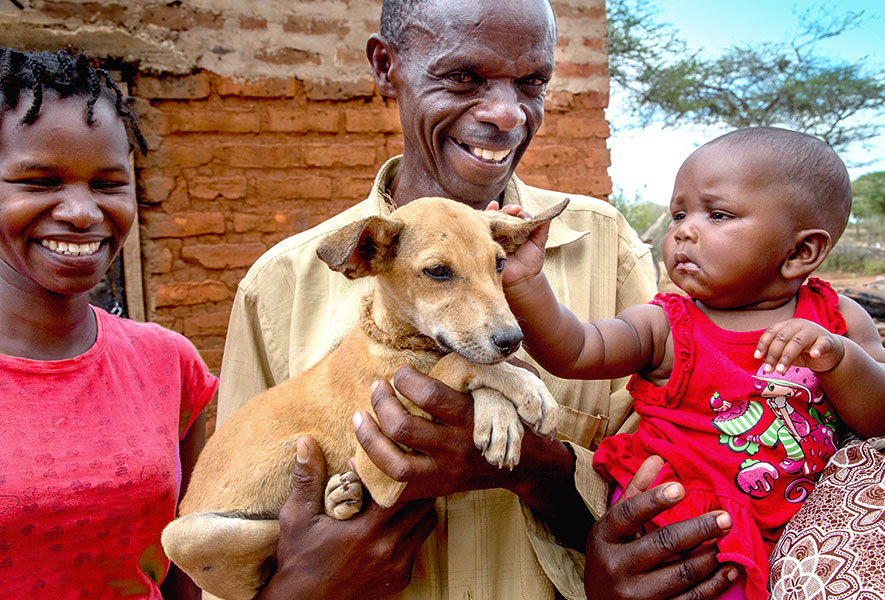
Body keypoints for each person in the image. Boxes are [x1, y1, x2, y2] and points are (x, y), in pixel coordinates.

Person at [217, 1, 744, 599]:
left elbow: (674, 477)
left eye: (533, 82)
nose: (506, 113)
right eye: (463, 77)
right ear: (385, 65)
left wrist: (530, 465)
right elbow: (226, 525)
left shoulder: (606, 248)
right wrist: (301, 588)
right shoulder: (279, 286)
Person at [500, 126, 885, 599]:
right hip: (688, 529)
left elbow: (878, 419)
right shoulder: (665, 326)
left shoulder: (838, 319)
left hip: (801, 527)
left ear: (801, 252)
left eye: (717, 214)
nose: (683, 229)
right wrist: (524, 284)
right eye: (679, 213)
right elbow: (575, 349)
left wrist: (839, 357)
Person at [0, 48, 218, 599]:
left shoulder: (167, 364)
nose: (82, 211)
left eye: (106, 183)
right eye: (40, 181)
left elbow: (185, 565)